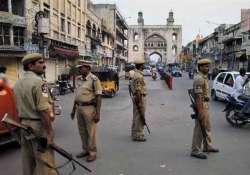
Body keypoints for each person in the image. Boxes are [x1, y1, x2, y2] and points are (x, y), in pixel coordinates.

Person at [13, 53, 56, 175]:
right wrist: (49, 132)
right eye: (40, 63)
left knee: (28, 160)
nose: (44, 66)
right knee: (45, 161)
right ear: (31, 66)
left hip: (24, 125)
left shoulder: (18, 83)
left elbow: (18, 107)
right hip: (38, 126)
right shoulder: (39, 83)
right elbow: (43, 110)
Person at [71, 60, 102, 162]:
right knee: (82, 131)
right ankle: (85, 150)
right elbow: (77, 96)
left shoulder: (94, 80)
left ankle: (92, 152)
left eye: (81, 67)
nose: (79, 69)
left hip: (89, 109)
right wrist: (73, 110)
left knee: (90, 132)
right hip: (79, 108)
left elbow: (98, 97)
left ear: (88, 68)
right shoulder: (79, 79)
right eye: (79, 68)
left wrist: (98, 113)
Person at [191, 58, 219, 159]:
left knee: (207, 127)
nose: (208, 68)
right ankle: (195, 150)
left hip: (205, 105)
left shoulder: (204, 77)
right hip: (201, 106)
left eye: (208, 66)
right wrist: (200, 111)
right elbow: (198, 97)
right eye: (205, 66)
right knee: (199, 129)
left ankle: (208, 146)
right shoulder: (199, 78)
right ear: (200, 67)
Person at [130, 59, 147, 141]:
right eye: (143, 65)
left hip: (137, 97)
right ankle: (138, 135)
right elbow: (138, 90)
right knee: (140, 116)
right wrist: (139, 102)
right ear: (141, 66)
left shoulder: (136, 74)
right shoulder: (138, 76)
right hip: (140, 97)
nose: (144, 66)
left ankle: (134, 133)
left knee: (136, 116)